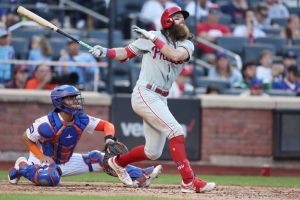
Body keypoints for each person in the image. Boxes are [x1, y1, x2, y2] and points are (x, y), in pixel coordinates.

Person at [89, 6, 216, 193]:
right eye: (178, 18)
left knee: (153, 152)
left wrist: (153, 39)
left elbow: (175, 55)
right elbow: (125, 52)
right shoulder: (151, 37)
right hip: (145, 93)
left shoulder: (186, 43)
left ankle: (117, 162)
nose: (183, 21)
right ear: (168, 21)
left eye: (183, 18)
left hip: (161, 97)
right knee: (176, 130)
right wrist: (104, 52)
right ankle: (189, 181)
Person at [8, 85, 162, 187]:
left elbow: (107, 125)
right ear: (59, 102)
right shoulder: (46, 123)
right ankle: (22, 166)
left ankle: (142, 175)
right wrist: (40, 156)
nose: (75, 101)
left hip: (66, 161)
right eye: (70, 98)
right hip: (43, 161)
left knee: (101, 158)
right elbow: (26, 137)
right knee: (50, 179)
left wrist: (109, 139)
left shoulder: (81, 119)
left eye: (75, 97)